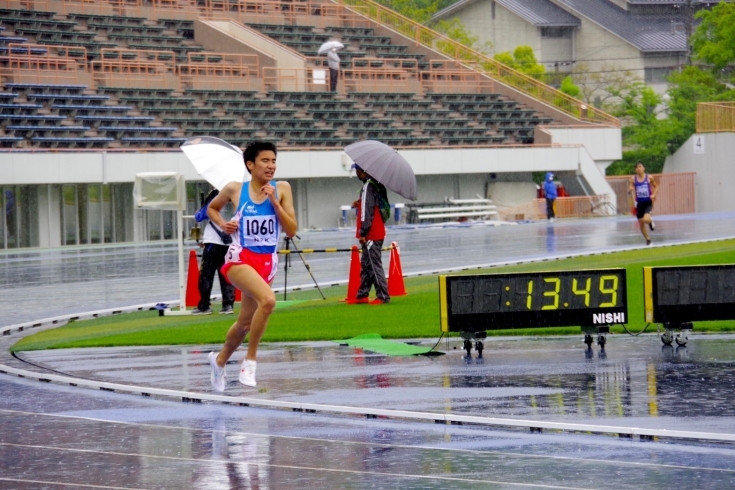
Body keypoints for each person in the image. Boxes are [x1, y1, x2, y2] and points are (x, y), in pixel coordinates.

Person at [206, 141, 297, 391]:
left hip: (267, 262)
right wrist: (224, 224)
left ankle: (220, 360)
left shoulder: (282, 188)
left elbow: (292, 229)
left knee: (245, 323)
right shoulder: (235, 189)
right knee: (268, 301)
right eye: (265, 161)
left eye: (274, 161)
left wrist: (276, 204)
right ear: (250, 164)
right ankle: (251, 360)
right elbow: (211, 209)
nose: (271, 166)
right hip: (240, 258)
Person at [348, 164, 390, 305]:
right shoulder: (376, 184)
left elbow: (367, 212)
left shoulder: (367, 186)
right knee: (366, 264)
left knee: (373, 265)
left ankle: (383, 296)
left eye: (357, 171)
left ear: (362, 171)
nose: (356, 174)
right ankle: (362, 295)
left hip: (372, 233)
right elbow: (371, 206)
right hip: (376, 230)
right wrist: (359, 203)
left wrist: (363, 232)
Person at [191, 188, 236, 315]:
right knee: (226, 274)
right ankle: (228, 305)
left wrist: (197, 213)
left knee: (206, 274)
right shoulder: (238, 192)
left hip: (213, 241)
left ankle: (204, 305)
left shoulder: (216, 193)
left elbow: (203, 215)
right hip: (231, 241)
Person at [628, 162, 658, 246]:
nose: (638, 168)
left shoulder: (649, 178)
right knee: (641, 223)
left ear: (644, 168)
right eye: (637, 167)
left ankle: (650, 221)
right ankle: (648, 240)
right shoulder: (633, 179)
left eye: (640, 167)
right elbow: (630, 189)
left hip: (648, 202)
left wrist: (654, 194)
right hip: (639, 203)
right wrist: (630, 189)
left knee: (645, 219)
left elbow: (656, 186)